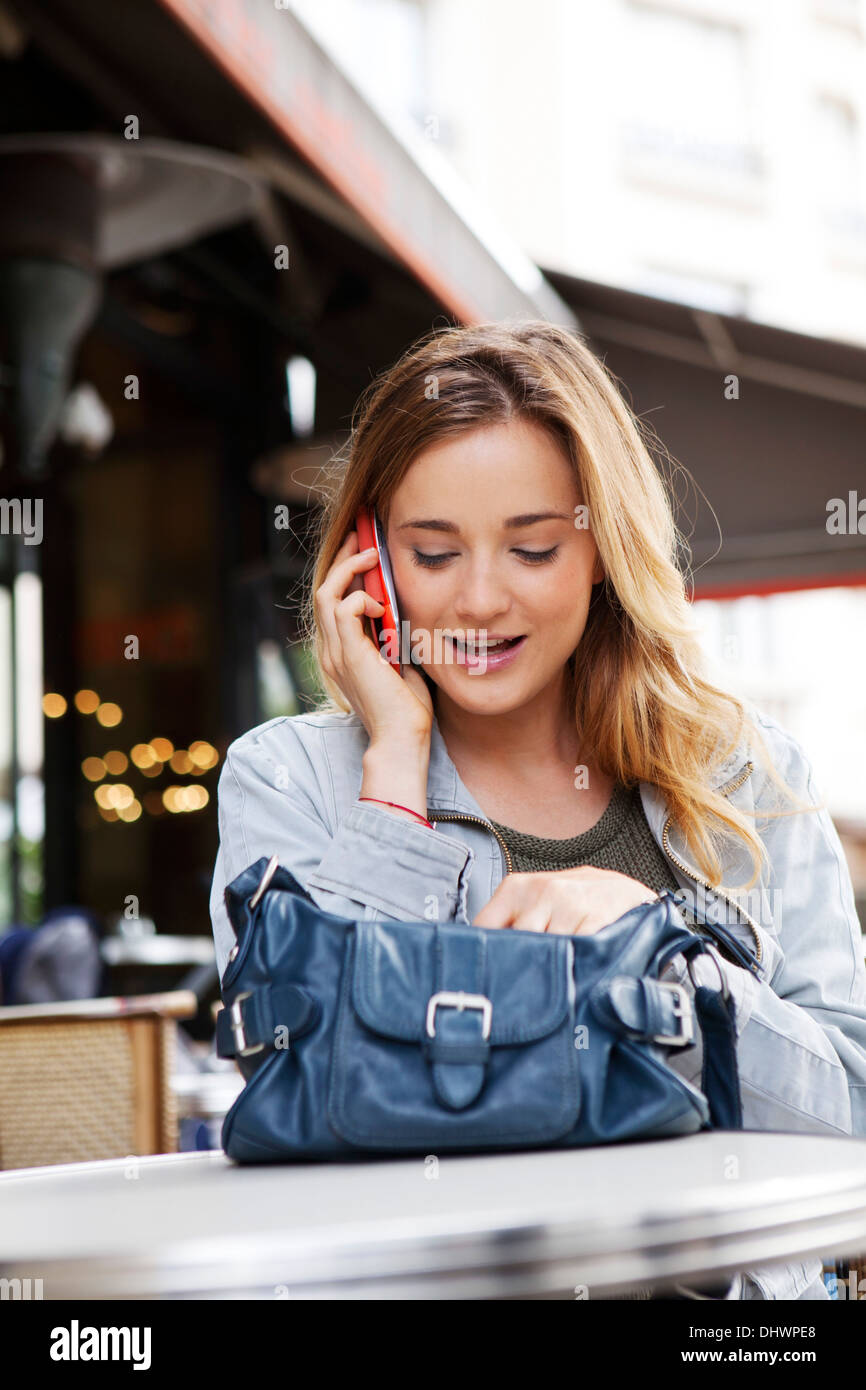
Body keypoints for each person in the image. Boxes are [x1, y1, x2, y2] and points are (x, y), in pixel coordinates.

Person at [210, 319, 866, 1301]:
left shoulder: (746, 777)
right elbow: (298, 1086)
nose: (478, 599)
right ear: (368, 561)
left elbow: (849, 1108)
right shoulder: (288, 776)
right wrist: (393, 766)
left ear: (601, 548)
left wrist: (657, 955)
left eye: (529, 547)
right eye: (431, 554)